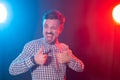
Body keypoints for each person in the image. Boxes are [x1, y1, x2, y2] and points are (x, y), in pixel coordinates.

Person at [9, 10, 84, 80]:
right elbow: (12, 69)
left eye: (53, 28)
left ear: (60, 29)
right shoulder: (32, 45)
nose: (49, 31)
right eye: (46, 26)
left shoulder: (64, 48)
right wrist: (33, 60)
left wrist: (69, 60)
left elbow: (81, 68)